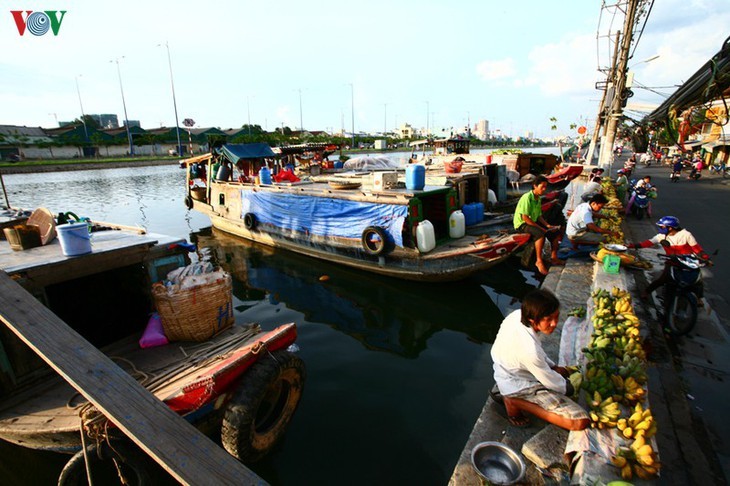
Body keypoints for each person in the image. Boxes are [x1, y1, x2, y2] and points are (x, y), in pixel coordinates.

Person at [491, 289, 589, 430]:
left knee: (559, 370)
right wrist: (567, 387)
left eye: (556, 317)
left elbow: (536, 356)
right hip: (516, 384)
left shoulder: (517, 315)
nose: (554, 324)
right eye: (549, 319)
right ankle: (514, 401)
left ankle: (510, 395)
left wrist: (554, 367)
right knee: (580, 422)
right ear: (533, 319)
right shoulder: (530, 352)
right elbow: (552, 383)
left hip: (506, 368)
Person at [627, 216, 709, 303]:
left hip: (687, 262)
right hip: (672, 261)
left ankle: (699, 298)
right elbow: (647, 243)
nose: (660, 228)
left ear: (670, 228)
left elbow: (697, 248)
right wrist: (631, 246)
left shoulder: (686, 235)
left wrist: (705, 258)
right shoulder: (661, 236)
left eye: (662, 227)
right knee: (663, 279)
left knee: (697, 280)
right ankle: (646, 292)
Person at [513, 175, 564, 275]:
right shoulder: (527, 197)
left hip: (532, 222)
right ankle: (539, 261)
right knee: (540, 234)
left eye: (546, 187)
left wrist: (548, 225)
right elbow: (525, 218)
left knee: (555, 232)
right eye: (542, 187)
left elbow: (539, 216)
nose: (544, 189)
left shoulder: (538, 198)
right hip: (522, 224)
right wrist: (541, 228)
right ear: (535, 186)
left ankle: (554, 257)